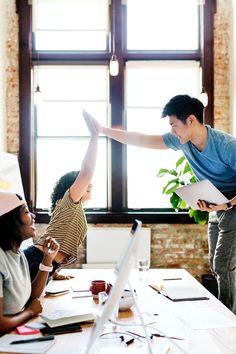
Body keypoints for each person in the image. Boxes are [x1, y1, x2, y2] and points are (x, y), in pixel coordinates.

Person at [82, 95, 236, 314]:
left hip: (233, 205)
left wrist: (227, 205)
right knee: (215, 263)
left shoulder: (227, 146)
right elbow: (142, 140)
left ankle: (229, 318)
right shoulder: (182, 141)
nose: (172, 131)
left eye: (174, 125)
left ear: (191, 120)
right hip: (217, 203)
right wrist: (102, 130)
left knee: (222, 263)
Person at [24, 110, 98, 281]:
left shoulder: (72, 208)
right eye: (85, 183)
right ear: (73, 186)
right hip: (36, 260)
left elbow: (59, 235)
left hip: (46, 264)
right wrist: (94, 137)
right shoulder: (69, 201)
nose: (90, 184)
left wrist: (54, 271)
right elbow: (87, 171)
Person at [0, 191, 59, 334]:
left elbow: (30, 297)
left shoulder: (18, 253)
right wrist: (29, 312)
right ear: (10, 221)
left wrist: (48, 259)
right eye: (26, 212)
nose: (33, 216)